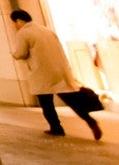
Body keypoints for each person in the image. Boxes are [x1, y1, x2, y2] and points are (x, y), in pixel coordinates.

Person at [9, 9, 101, 140]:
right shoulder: (47, 30)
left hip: (42, 72)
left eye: (14, 22)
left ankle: (56, 128)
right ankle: (90, 120)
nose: (15, 26)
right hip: (59, 71)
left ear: (18, 20)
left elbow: (21, 53)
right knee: (72, 101)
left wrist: (13, 54)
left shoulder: (24, 33)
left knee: (46, 103)